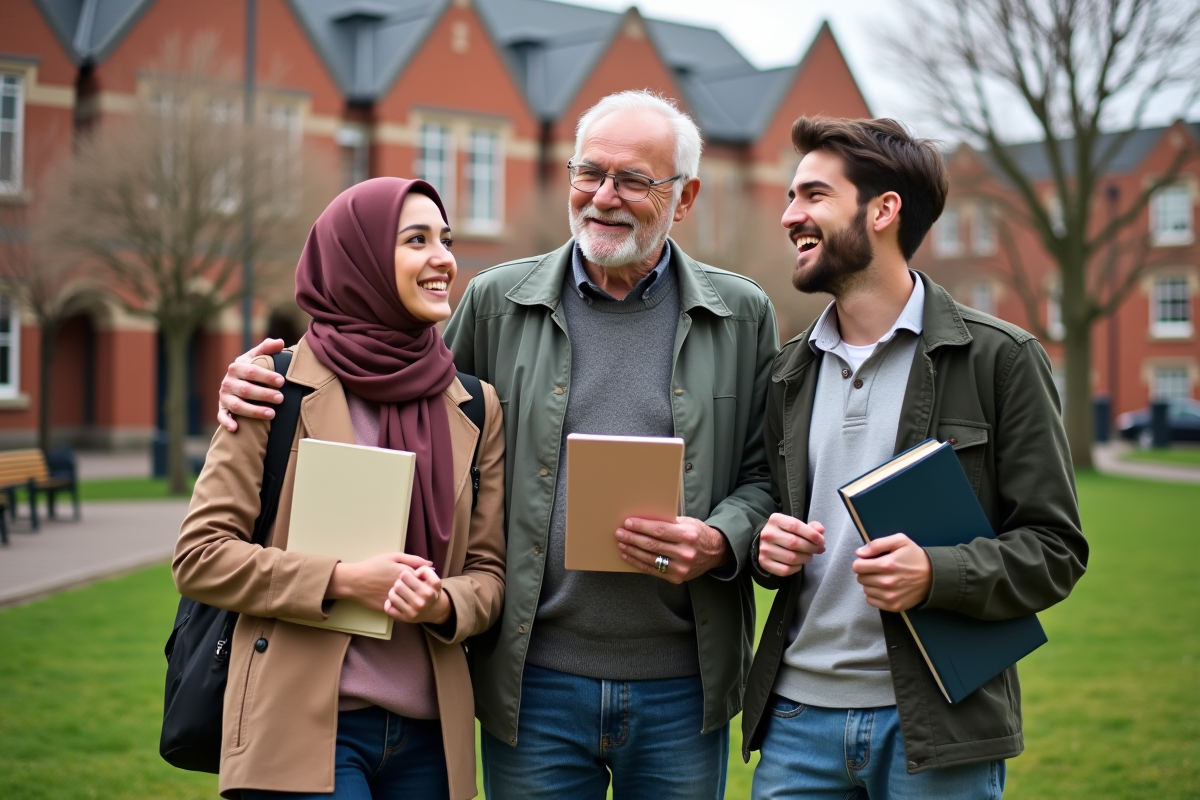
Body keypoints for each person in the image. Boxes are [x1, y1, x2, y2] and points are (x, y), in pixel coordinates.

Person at [215, 90, 779, 799]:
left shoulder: (743, 314)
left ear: (685, 197)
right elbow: (393, 383)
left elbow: (766, 477)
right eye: (589, 172)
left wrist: (722, 540)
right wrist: (262, 380)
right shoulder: (495, 301)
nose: (604, 197)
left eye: (633, 180)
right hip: (531, 681)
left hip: (682, 687)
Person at [740, 117, 1089, 799]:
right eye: (790, 196)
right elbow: (764, 507)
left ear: (883, 210)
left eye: (813, 195)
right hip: (795, 721)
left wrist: (936, 572)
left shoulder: (1001, 360)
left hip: (937, 727)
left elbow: (1056, 550)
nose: (789, 216)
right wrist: (764, 542)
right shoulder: (785, 373)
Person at [174, 178, 506, 800]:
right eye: (416, 240)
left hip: (431, 737)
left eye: (446, 239)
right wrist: (343, 582)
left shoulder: (477, 406)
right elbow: (200, 557)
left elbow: (488, 574)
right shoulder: (272, 387)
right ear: (360, 260)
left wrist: (442, 604)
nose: (443, 258)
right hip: (303, 727)